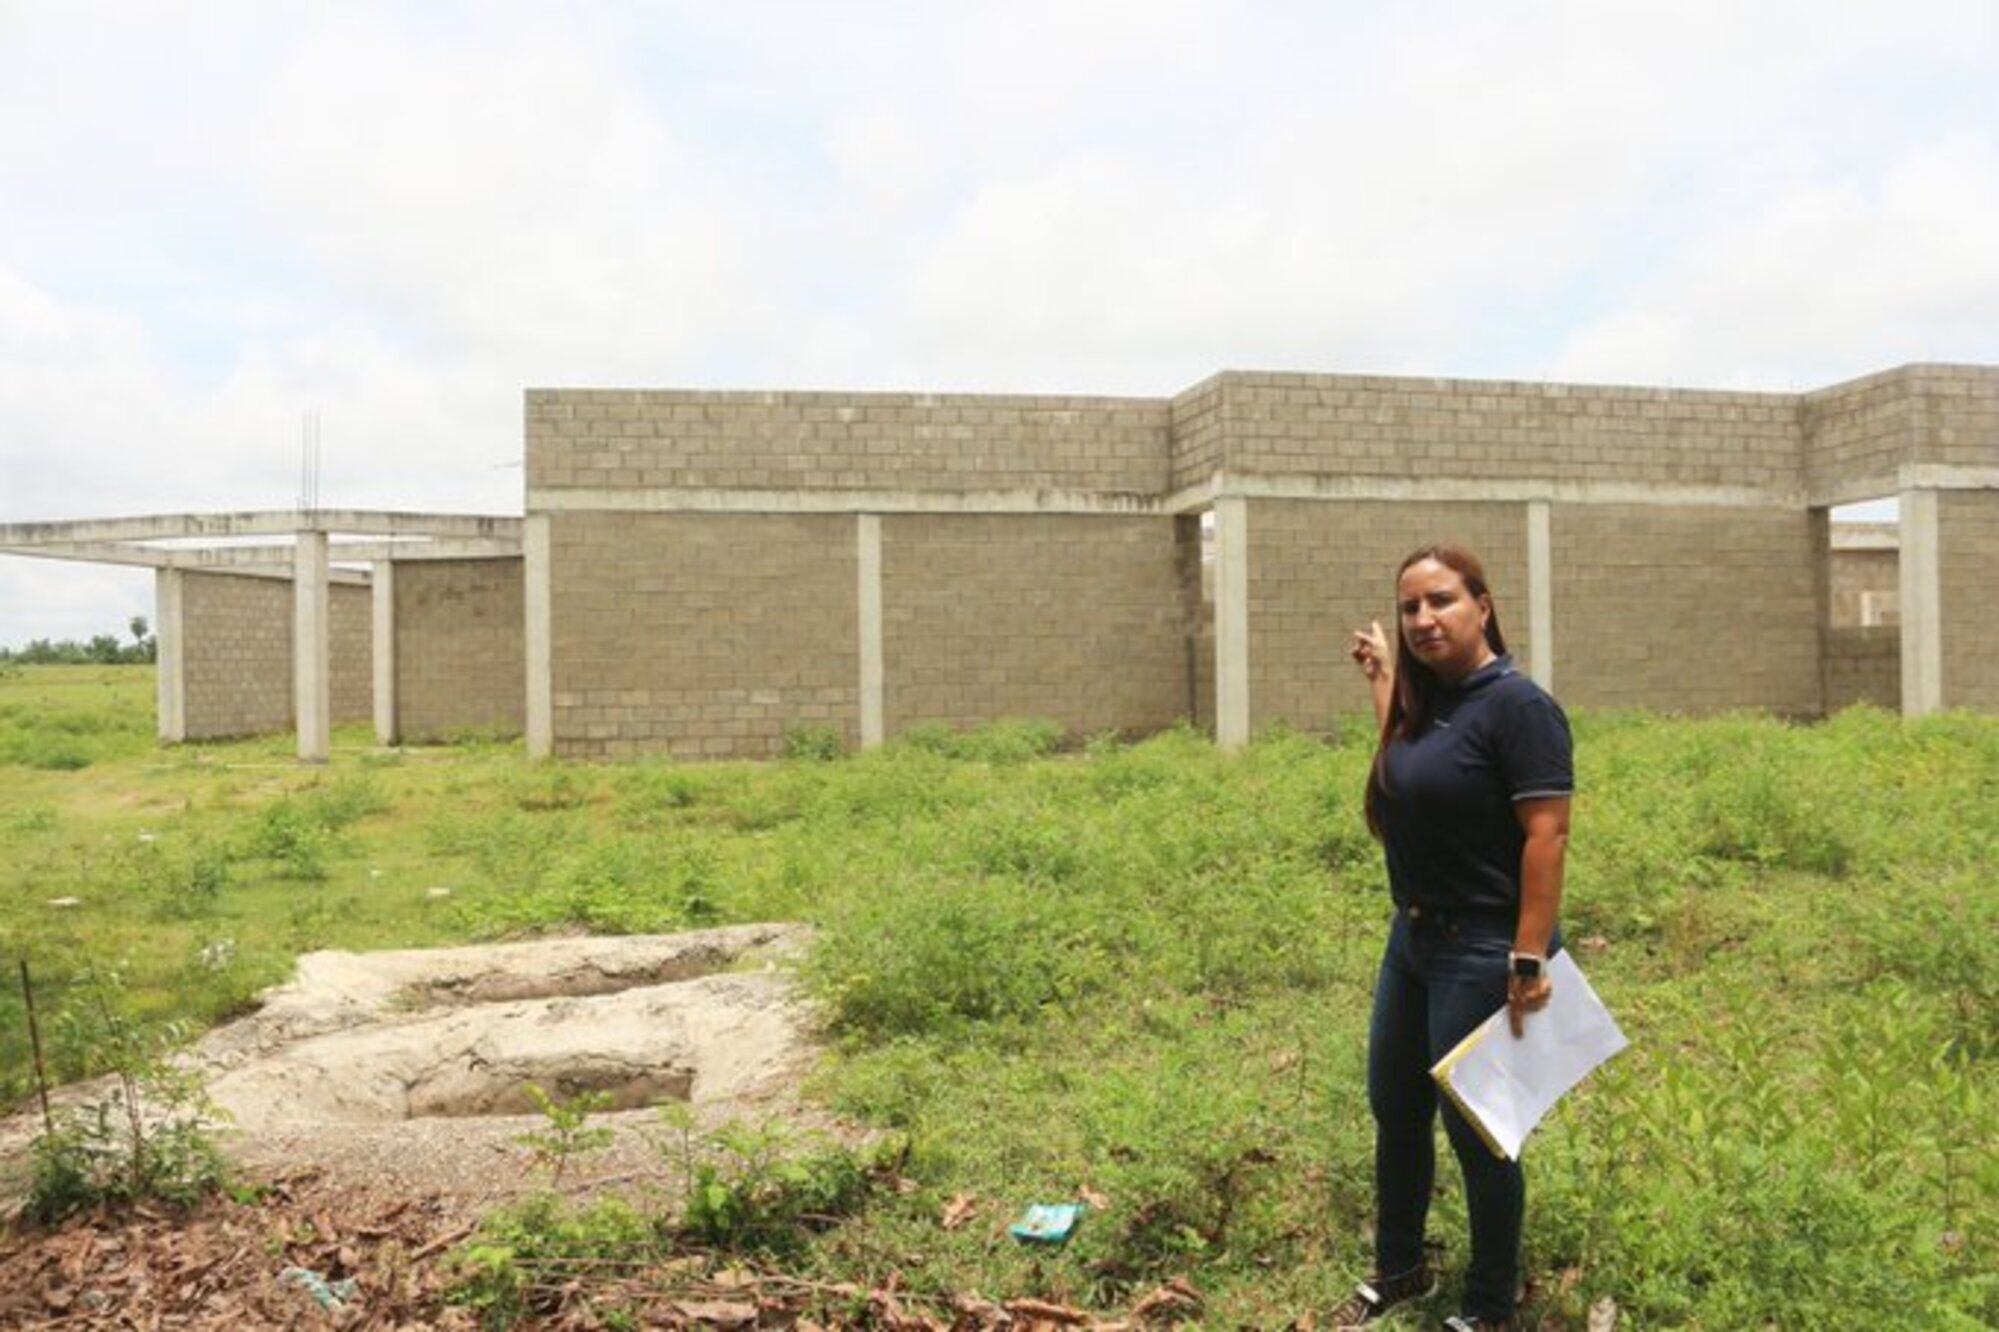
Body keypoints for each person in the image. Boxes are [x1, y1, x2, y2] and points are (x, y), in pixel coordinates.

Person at [1331, 544, 1573, 1332]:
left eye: (1440, 601)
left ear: (1483, 604)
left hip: (1485, 946)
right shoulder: (1429, 703)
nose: (1423, 619)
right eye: (1409, 608)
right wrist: (1382, 687)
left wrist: (1529, 957)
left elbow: (1547, 835)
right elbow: (1415, 776)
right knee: (1395, 1106)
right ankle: (1400, 1267)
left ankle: (1490, 1306)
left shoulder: (1518, 707)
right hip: (1413, 941)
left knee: (1480, 1133)